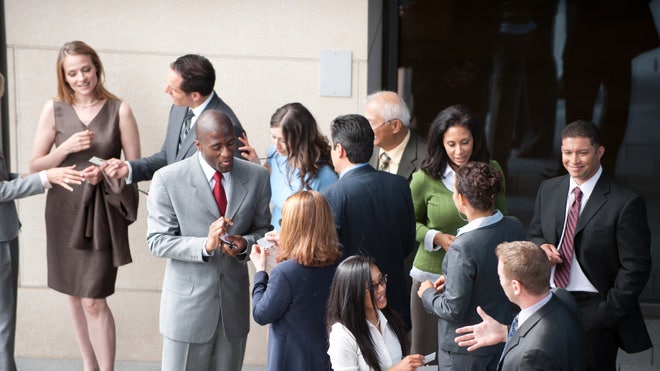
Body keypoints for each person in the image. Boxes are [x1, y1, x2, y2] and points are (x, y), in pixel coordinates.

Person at [28, 41, 140, 371]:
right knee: (73, 295)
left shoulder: (121, 109)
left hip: (102, 214)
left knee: (93, 299)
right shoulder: (54, 108)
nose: (81, 78)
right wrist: (65, 148)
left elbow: (136, 168)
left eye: (86, 69)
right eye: (72, 73)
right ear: (64, 76)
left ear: (97, 67)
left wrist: (106, 171)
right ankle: (88, 366)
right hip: (63, 211)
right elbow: (35, 165)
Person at [146, 109, 271, 371]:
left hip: (233, 312)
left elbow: (264, 230)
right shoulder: (168, 179)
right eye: (217, 147)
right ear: (198, 145)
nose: (227, 153)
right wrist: (205, 245)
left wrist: (245, 243)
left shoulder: (257, 176)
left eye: (231, 144)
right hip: (186, 312)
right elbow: (157, 240)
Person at [528, 119, 652, 370]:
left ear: (600, 152)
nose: (574, 160)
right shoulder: (549, 188)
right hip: (548, 299)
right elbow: (535, 234)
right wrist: (541, 247)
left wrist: (605, 315)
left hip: (594, 306)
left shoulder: (626, 202)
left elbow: (636, 268)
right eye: (567, 152)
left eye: (582, 152)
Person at [0, 72, 87, 371]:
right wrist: (43, 178)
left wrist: (19, 178)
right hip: (0, 236)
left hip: (6, 231)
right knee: (3, 321)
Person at [409, 104, 507, 358]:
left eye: (465, 142)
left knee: (471, 352)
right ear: (440, 143)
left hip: (481, 277)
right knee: (426, 353)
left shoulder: (491, 170)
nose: (459, 151)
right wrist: (435, 237)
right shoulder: (424, 177)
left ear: (476, 139)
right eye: (451, 144)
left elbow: (502, 219)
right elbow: (408, 222)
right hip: (431, 275)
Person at [417, 161, 525, 370]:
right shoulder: (514, 226)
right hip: (501, 339)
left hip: (464, 348)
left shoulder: (463, 247)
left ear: (462, 199)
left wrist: (427, 294)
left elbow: (453, 309)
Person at [322, 114, 416, 330]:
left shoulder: (331, 195)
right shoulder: (399, 185)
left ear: (340, 149)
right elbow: (408, 242)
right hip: (394, 300)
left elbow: (329, 256)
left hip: (352, 305)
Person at [104, 53, 246, 183]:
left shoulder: (230, 127)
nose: (166, 90)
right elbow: (169, 158)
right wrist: (129, 168)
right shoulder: (179, 107)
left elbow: (230, 184)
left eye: (173, 89)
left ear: (195, 95)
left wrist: (170, 198)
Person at [454, 240, 586, 371]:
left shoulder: (532, 356)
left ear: (516, 287)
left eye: (500, 277)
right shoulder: (562, 296)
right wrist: (507, 332)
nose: (500, 281)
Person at [250, 190, 341, 371]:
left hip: (290, 362)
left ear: (293, 226)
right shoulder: (340, 257)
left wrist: (260, 271)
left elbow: (261, 314)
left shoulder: (285, 273)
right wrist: (289, 248)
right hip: (329, 357)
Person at [238, 102, 337, 230]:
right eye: (273, 137)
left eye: (283, 140)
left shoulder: (324, 177)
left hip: (300, 243)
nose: (277, 145)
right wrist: (256, 164)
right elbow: (268, 180)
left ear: (301, 138)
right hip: (273, 234)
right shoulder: (274, 153)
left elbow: (327, 225)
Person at [326, 255, 425, 371]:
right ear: (353, 293)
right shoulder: (342, 334)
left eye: (382, 280)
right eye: (373, 286)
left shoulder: (390, 318)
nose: (382, 289)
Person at [365, 91, 427, 182]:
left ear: (395, 126)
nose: (366, 129)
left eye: (371, 123)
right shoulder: (363, 150)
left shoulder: (427, 158)